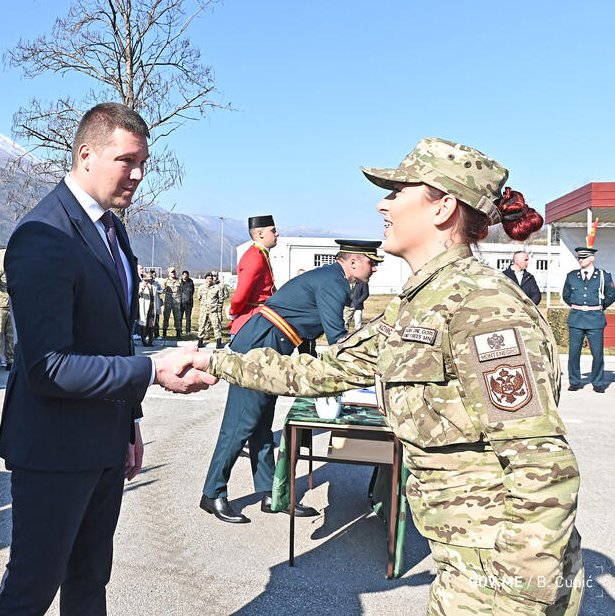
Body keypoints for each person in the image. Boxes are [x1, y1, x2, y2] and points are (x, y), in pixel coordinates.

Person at [194, 138, 583, 614]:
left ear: (443, 208)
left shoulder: (485, 306)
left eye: (398, 191)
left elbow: (541, 466)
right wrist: (211, 363)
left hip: (497, 577)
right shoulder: (422, 301)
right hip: (464, 560)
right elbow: (326, 370)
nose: (383, 203)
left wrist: (519, 594)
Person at [0, 102, 216, 615]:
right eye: (127, 161)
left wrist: (129, 424)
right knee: (33, 585)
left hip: (103, 441)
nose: (137, 175)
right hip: (53, 448)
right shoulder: (44, 234)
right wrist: (153, 373)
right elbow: (48, 366)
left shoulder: (111, 230)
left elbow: (112, 339)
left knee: (91, 578)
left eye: (144, 163)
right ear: (86, 154)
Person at [200, 240, 382, 523]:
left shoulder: (331, 278)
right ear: (355, 262)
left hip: (272, 342)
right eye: (372, 263)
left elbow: (305, 327)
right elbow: (337, 339)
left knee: (260, 424)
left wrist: (308, 370)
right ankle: (212, 493)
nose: (374, 269)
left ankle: (272, 494)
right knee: (240, 423)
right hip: (260, 344)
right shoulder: (334, 282)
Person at [563, 246, 615, 393]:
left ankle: (598, 383)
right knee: (573, 353)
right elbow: (566, 295)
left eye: (584, 257)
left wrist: (597, 308)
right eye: (579, 257)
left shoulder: (603, 276)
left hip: (595, 319)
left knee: (597, 354)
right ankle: (575, 381)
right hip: (576, 318)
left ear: (592, 258)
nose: (581, 260)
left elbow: (611, 296)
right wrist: (579, 307)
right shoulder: (572, 276)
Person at [228, 215, 278, 335]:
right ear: (261, 233)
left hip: (257, 321)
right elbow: (240, 295)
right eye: (273, 230)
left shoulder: (261, 254)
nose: (277, 234)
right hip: (250, 324)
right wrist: (232, 311)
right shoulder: (255, 257)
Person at [197, 272, 226, 349]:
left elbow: (220, 299)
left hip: (213, 310)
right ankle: (200, 341)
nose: (209, 280)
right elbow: (199, 297)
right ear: (205, 279)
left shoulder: (217, 288)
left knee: (216, 325)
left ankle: (218, 342)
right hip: (204, 310)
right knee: (202, 325)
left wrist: (216, 307)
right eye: (208, 279)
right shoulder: (201, 288)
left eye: (211, 279)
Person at [138, 269, 162, 346]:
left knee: (151, 324)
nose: (150, 279)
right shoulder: (141, 285)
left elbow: (156, 298)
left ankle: (150, 341)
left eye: (151, 277)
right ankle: (143, 340)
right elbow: (138, 294)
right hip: (144, 308)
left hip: (152, 308)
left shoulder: (154, 286)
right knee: (144, 325)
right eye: (148, 277)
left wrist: (157, 308)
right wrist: (143, 287)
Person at [161, 266, 183, 338]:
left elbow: (182, 290)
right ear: (169, 274)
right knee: (166, 317)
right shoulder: (165, 281)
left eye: (174, 272)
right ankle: (164, 332)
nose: (173, 273)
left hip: (177, 302)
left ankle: (178, 332)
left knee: (177, 317)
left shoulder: (179, 281)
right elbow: (162, 290)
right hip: (168, 302)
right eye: (172, 272)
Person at [179, 270, 195, 335]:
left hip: (188, 303)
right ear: (182, 275)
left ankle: (188, 331)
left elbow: (192, 292)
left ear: (188, 276)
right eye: (184, 275)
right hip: (181, 303)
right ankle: (179, 331)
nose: (185, 276)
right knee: (180, 318)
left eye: (186, 275)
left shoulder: (191, 283)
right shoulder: (179, 282)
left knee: (188, 318)